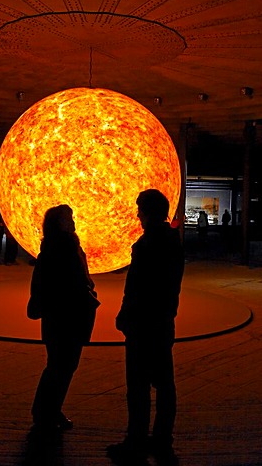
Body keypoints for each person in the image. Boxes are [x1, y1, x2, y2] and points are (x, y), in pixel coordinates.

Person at [107, 189, 184, 466]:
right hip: (162, 324)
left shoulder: (149, 244)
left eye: (140, 208)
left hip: (143, 326)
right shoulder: (171, 242)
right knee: (164, 385)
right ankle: (162, 439)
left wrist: (126, 316)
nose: (137, 213)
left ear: (149, 212)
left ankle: (136, 441)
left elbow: (138, 288)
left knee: (138, 386)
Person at [29, 204, 100, 433]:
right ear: (61, 224)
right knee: (61, 366)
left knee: (62, 366)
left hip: (63, 318)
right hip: (65, 318)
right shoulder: (61, 251)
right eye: (69, 218)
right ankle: (44, 414)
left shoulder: (63, 249)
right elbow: (68, 284)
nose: (74, 221)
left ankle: (49, 411)